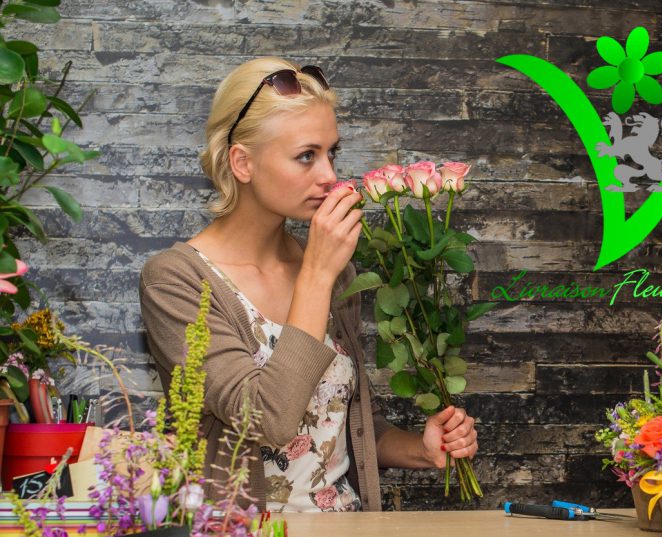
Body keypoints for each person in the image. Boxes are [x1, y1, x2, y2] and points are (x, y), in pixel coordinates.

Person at [139, 57, 478, 513]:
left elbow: (342, 425)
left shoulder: (336, 270)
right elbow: (267, 419)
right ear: (242, 162)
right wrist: (317, 273)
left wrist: (422, 447)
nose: (329, 177)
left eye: (331, 153)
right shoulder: (176, 281)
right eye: (306, 155)